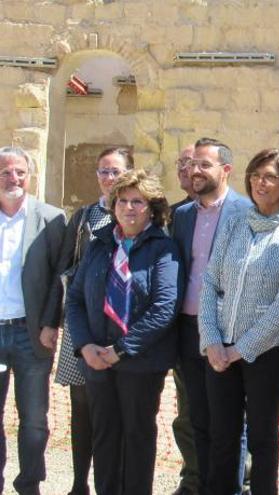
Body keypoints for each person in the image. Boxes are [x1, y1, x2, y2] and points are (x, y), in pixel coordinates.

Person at [199, 148, 279, 495]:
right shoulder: (234, 222)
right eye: (256, 174)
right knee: (222, 439)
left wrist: (240, 350)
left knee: (262, 440)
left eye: (270, 176)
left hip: (270, 354)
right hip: (219, 351)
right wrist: (212, 340)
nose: (260, 182)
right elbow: (210, 283)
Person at [66, 170, 181, 495]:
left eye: (138, 201)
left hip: (140, 365)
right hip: (97, 364)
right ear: (113, 205)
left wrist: (120, 349)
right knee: (104, 438)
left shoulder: (163, 248)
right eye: (123, 201)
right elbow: (74, 299)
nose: (129, 207)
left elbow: (164, 308)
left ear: (151, 208)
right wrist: (85, 346)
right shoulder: (99, 244)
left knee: (137, 439)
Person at [172, 137, 252, 494]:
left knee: (230, 425)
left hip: (227, 333)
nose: (195, 171)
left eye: (205, 164)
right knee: (197, 421)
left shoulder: (247, 213)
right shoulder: (182, 215)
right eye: (192, 165)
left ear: (226, 170)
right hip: (188, 332)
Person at [58, 146, 133, 495]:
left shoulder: (138, 215)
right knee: (83, 407)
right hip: (82, 326)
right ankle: (78, 483)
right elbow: (65, 269)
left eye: (115, 171)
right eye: (103, 171)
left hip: (120, 328)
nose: (108, 178)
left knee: (117, 410)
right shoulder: (84, 218)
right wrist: (50, 322)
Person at [0, 146, 66, 495]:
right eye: (6, 172)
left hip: (31, 334)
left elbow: (59, 276)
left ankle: (29, 485)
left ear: (30, 175)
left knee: (34, 421)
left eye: (20, 172)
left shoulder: (51, 218)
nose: (14, 179)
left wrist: (51, 323)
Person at [168, 144, 201, 495]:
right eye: (180, 164)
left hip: (223, 334)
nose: (184, 169)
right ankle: (192, 479)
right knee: (187, 414)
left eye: (191, 163)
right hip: (182, 331)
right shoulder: (171, 215)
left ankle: (241, 478)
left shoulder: (233, 212)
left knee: (233, 414)